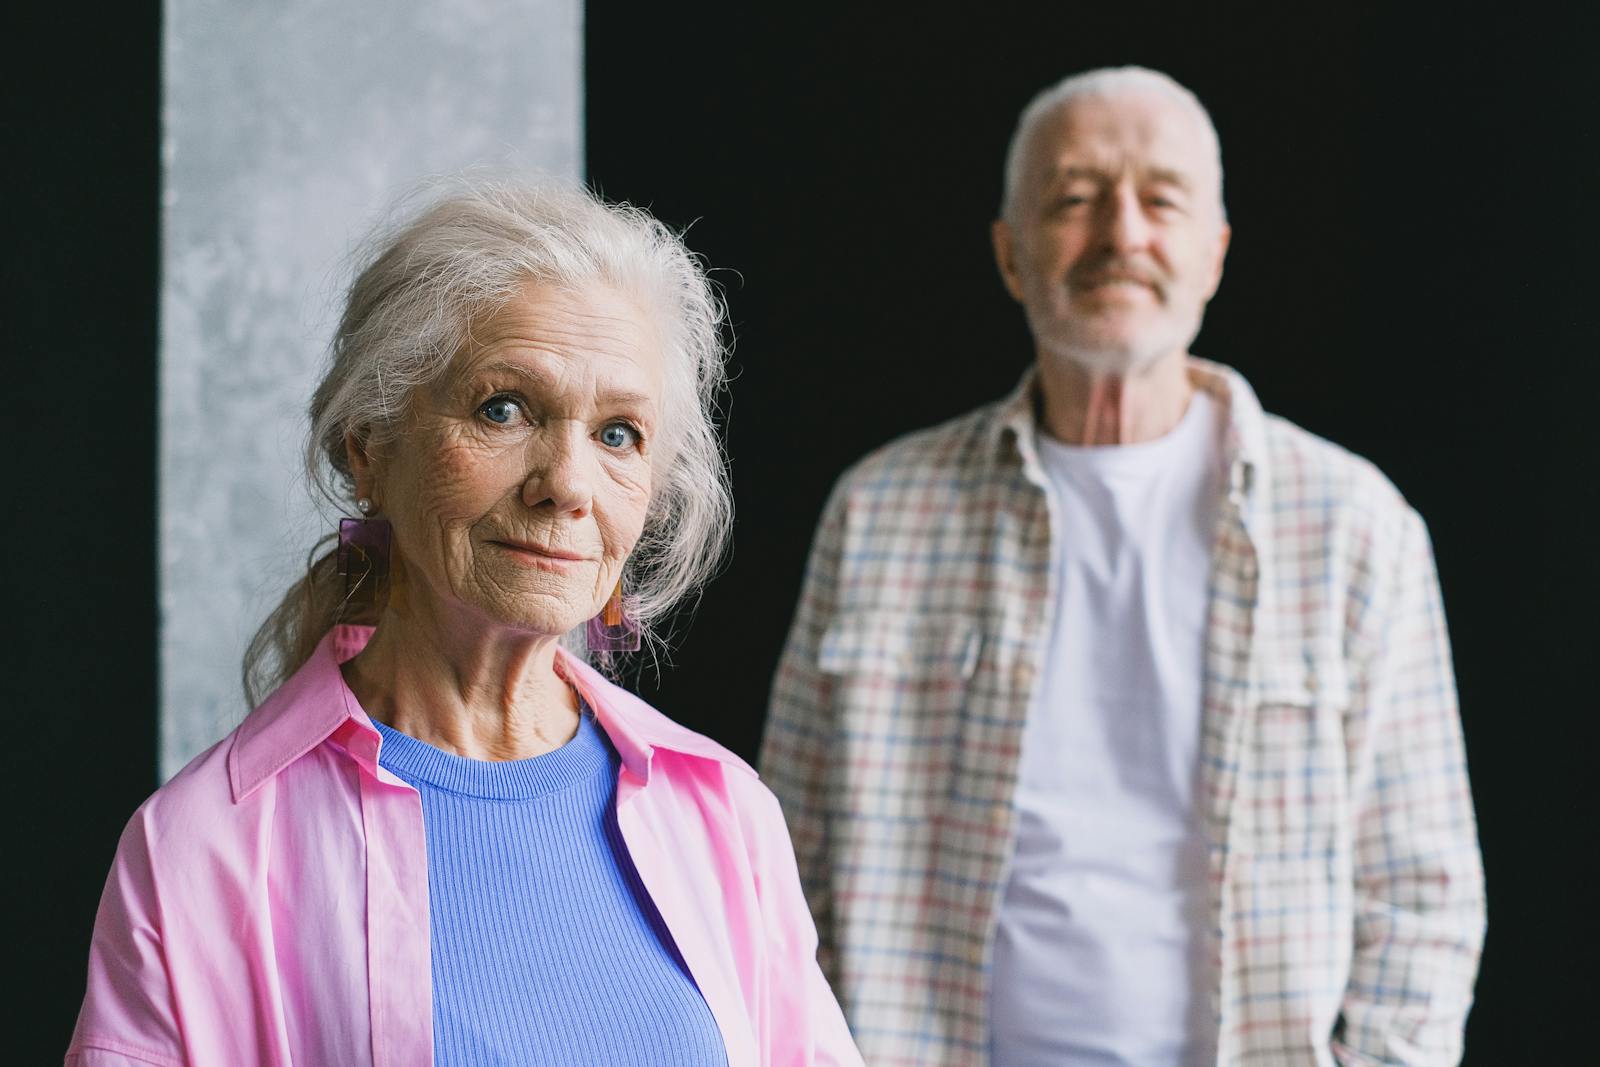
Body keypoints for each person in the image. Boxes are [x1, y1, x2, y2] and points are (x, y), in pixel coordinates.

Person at [762, 67, 1485, 1066]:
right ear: (1011, 254)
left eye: (1161, 200)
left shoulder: (1354, 526)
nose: (1121, 235)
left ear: (1213, 253)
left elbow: (1424, 890)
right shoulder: (881, 510)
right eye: (1073, 198)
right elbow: (780, 865)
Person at [68, 179, 862, 1067]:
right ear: (369, 445)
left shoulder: (723, 812)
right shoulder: (202, 848)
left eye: (619, 433)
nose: (566, 483)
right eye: (504, 409)